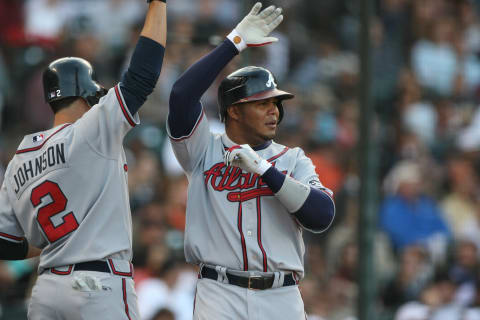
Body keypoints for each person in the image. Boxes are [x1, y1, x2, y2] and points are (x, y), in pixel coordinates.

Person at [167, 3, 335, 319]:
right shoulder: (203, 149)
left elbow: (321, 215)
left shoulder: (292, 159)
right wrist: (234, 43)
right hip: (220, 293)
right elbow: (181, 96)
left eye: (276, 102)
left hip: (281, 295)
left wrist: (265, 170)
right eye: (262, 103)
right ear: (234, 110)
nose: (274, 110)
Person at [0, 0, 166, 319]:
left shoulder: (21, 153)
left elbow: (4, 243)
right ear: (87, 94)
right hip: (98, 284)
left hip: (47, 288)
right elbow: (142, 77)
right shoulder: (91, 130)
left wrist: (44, 246)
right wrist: (158, 5)